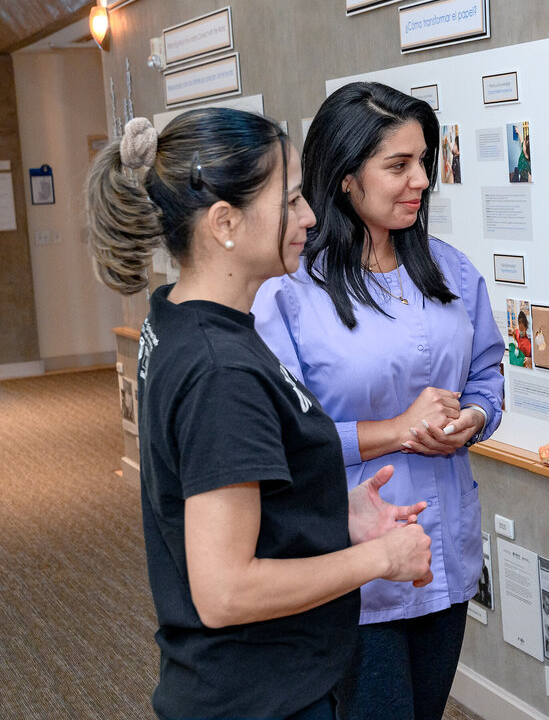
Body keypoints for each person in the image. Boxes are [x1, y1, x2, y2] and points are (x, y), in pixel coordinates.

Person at [85, 110, 433, 720]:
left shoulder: (179, 318)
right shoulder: (220, 370)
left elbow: (222, 491)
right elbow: (224, 591)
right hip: (257, 697)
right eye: (292, 199)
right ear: (226, 222)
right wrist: (380, 559)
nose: (309, 217)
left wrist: (324, 514)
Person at [252, 82, 504, 720]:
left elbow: (486, 377)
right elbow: (281, 435)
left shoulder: (452, 271)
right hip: (350, 567)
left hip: (444, 553)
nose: (420, 179)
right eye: (398, 165)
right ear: (343, 178)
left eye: (424, 160)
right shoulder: (288, 292)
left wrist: (470, 420)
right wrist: (395, 431)